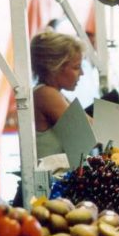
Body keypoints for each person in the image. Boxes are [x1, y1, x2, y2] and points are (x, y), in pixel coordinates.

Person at [30, 31, 85, 159]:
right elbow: (86, 135)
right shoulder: (46, 94)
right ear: (55, 67)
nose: (82, 73)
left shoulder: (55, 94)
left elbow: (90, 124)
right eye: (77, 67)